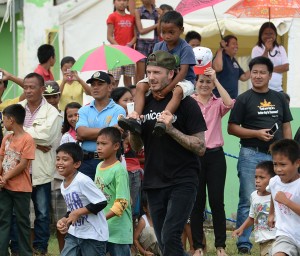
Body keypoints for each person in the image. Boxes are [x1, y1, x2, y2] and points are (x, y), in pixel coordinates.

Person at [128, 50, 207, 255]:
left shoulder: (187, 104)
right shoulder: (144, 103)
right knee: (163, 239)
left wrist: (171, 129)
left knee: (171, 234)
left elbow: (200, 146)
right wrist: (133, 129)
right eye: (149, 72)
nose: (151, 77)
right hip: (154, 181)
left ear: (171, 74)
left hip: (183, 179)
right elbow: (137, 147)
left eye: (157, 72)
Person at [227, 56, 293, 254]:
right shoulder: (243, 98)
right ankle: (244, 244)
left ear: (270, 75)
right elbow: (231, 128)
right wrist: (256, 133)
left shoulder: (280, 97)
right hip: (250, 155)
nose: (258, 76)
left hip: (277, 159)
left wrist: (288, 151)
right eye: (254, 72)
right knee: (249, 199)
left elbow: (286, 126)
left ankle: (280, 239)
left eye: (262, 72)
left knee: (280, 197)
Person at [118, 10, 196, 136]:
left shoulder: (185, 48)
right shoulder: (158, 46)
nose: (167, 36)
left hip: (184, 81)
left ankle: (163, 120)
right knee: (140, 85)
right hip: (162, 79)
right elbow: (152, 68)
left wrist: (166, 90)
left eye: (171, 32)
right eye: (163, 32)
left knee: (177, 91)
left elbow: (183, 73)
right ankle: (135, 118)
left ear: (181, 30)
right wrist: (153, 88)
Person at [190, 47, 234, 256]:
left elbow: (230, 103)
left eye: (208, 82)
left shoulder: (217, 103)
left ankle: (220, 246)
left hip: (216, 156)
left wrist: (216, 80)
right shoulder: (189, 103)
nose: (205, 85)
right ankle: (198, 246)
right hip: (195, 156)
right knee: (197, 202)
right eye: (202, 82)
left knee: (217, 201)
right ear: (196, 84)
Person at [19, 72, 63, 255]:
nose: (28, 91)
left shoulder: (52, 112)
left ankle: (41, 249)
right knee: (19, 213)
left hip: (41, 171)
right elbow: (7, 132)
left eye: (32, 87)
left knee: (43, 214)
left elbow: (48, 137)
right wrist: (35, 141)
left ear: (41, 89)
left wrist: (20, 134)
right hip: (19, 170)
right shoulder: (17, 108)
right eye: (25, 87)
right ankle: (19, 248)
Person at [56, 142, 108, 256]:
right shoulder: (63, 185)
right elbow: (72, 209)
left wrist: (79, 212)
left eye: (65, 159)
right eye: (58, 159)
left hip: (93, 236)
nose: (60, 162)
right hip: (75, 233)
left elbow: (101, 202)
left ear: (77, 164)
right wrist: (64, 220)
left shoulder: (82, 180)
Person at [75, 71, 126, 181]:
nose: (95, 88)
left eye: (100, 84)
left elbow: (113, 136)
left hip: (108, 161)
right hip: (86, 162)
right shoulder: (84, 110)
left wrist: (88, 134)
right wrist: (108, 130)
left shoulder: (118, 110)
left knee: (108, 197)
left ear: (110, 87)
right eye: (93, 85)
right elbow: (81, 132)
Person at [0, 104, 35, 256]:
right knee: (3, 220)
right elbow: (1, 159)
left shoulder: (28, 139)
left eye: (4, 119)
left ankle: (25, 252)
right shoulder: (7, 138)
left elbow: (23, 164)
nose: (3, 122)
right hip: (4, 188)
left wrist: (5, 177)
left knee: (22, 222)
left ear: (11, 119)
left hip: (21, 189)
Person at [94, 127, 133, 256]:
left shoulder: (119, 170)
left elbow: (122, 203)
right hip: (102, 228)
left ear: (116, 146)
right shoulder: (99, 166)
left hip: (118, 230)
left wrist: (101, 219)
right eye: (98, 143)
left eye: (104, 144)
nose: (99, 147)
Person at [232, 161, 276, 256]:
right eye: (256, 177)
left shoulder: (276, 195)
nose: (257, 180)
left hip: (276, 239)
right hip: (263, 241)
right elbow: (252, 217)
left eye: (262, 177)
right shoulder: (253, 196)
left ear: (272, 180)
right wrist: (241, 228)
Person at [268, 139, 300, 255]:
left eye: (283, 164)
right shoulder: (274, 182)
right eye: (275, 164)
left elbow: (281, 199)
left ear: (297, 163)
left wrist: (286, 201)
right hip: (285, 235)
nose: (278, 169)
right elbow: (273, 194)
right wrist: (271, 213)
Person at [251, 22, 289, 92]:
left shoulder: (280, 48)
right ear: (261, 35)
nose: (268, 36)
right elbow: (259, 67)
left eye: (271, 33)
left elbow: (286, 67)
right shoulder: (256, 49)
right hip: (261, 90)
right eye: (266, 34)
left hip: (278, 89)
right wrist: (266, 50)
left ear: (275, 35)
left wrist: (269, 70)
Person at [107, 0, 137, 87]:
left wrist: (130, 44)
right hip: (115, 53)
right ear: (114, 2)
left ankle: (129, 99)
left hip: (129, 53)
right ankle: (113, 99)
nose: (122, 2)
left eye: (124, 0)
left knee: (128, 81)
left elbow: (135, 36)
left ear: (128, 3)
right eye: (119, 0)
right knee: (114, 80)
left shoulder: (131, 17)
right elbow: (109, 36)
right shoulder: (112, 16)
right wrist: (120, 48)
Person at [212, 35, 250, 99]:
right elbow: (217, 68)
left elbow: (244, 77)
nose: (236, 46)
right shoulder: (221, 56)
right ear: (226, 46)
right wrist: (221, 48)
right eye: (233, 44)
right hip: (219, 98)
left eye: (237, 44)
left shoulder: (233, 60)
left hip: (233, 99)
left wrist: (254, 67)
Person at [135, 0, 159, 82]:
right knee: (140, 74)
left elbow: (159, 32)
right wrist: (156, 25)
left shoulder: (157, 12)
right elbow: (141, 30)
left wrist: (161, 16)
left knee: (153, 71)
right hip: (142, 45)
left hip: (154, 44)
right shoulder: (138, 11)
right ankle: (139, 92)